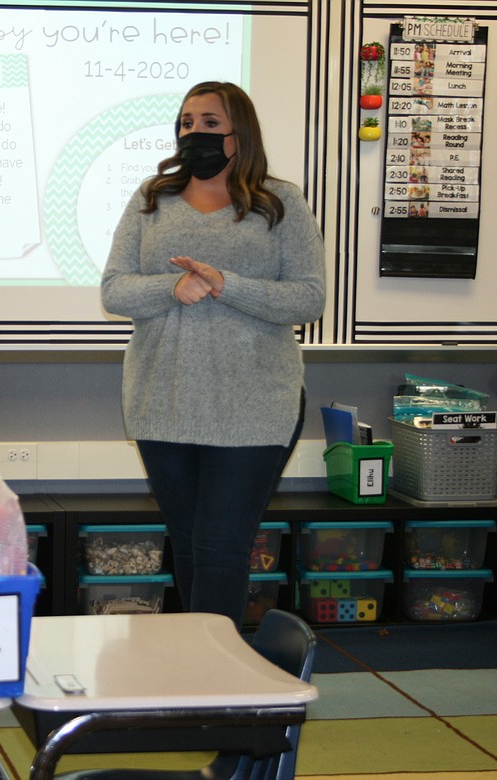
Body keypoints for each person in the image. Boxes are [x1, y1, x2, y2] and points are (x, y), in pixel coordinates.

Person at [101, 81, 325, 627]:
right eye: (185, 123)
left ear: (238, 132)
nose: (192, 132)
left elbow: (309, 298)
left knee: (223, 545)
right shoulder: (152, 198)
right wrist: (169, 288)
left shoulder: (280, 201)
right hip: (162, 397)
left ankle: (217, 677)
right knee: (188, 541)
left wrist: (228, 283)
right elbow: (114, 290)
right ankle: (196, 663)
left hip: (253, 405)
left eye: (208, 123)